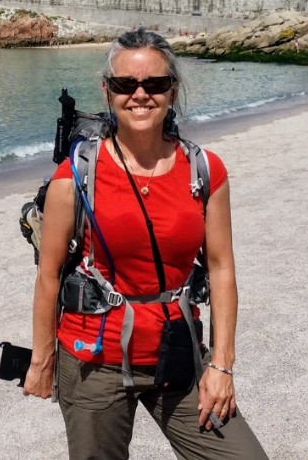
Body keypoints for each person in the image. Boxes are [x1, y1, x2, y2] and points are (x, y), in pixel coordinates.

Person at [24, 28, 268, 459]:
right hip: (91, 360)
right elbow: (48, 277)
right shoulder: (77, 175)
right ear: (107, 90)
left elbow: (222, 268)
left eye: (155, 84)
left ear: (172, 91)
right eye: (125, 84)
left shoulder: (205, 171)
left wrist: (222, 364)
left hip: (178, 352)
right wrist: (41, 361)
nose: (140, 95)